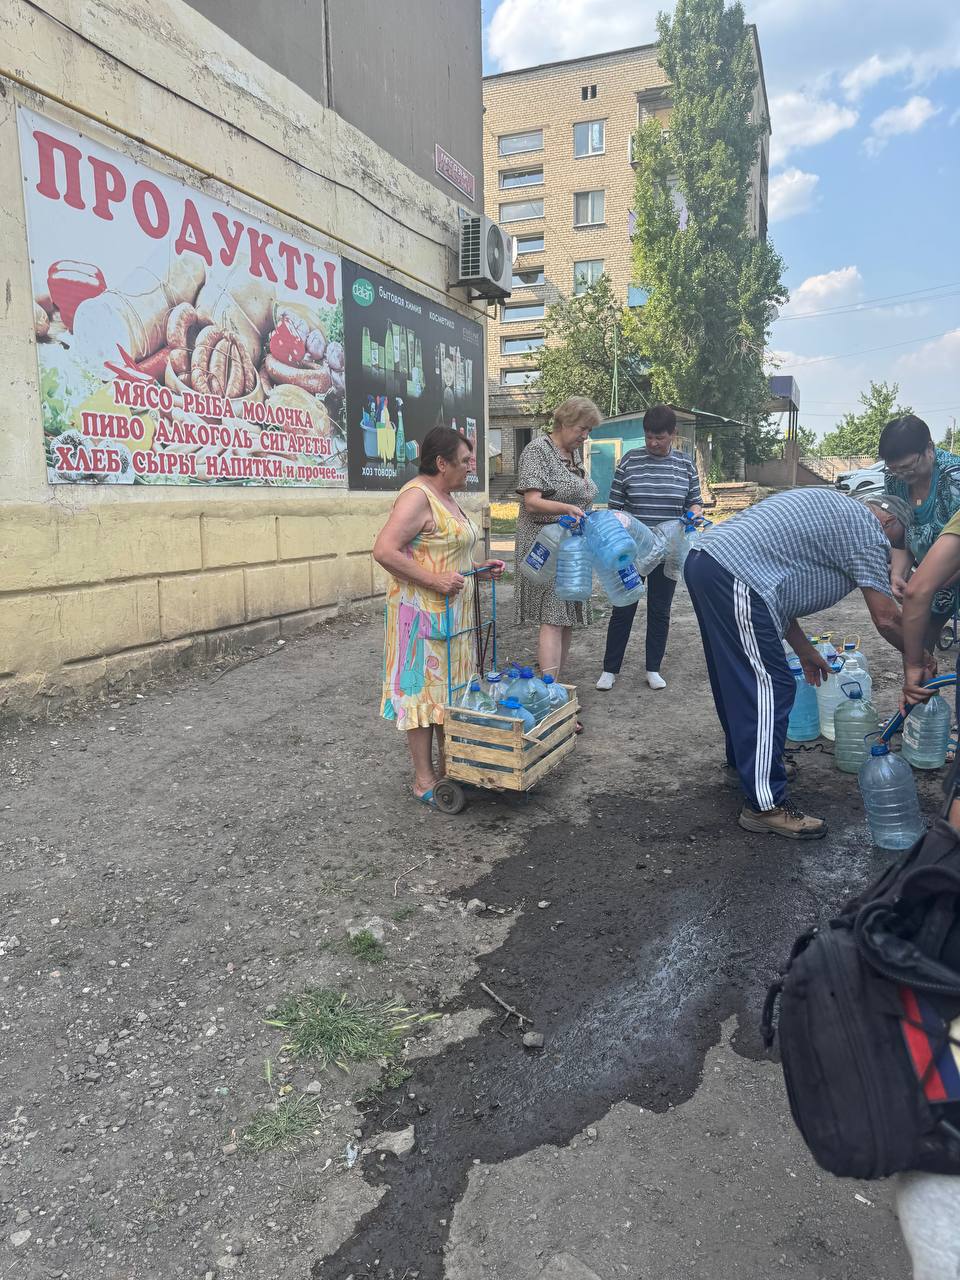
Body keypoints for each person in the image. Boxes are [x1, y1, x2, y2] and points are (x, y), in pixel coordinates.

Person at [684, 487, 931, 840]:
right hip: (732, 573)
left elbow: (777, 589)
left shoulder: (839, 515)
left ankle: (749, 768)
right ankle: (765, 805)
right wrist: (921, 658)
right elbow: (887, 618)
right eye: (896, 541)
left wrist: (803, 649)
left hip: (711, 563)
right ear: (889, 521)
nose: (891, 551)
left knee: (740, 680)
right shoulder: (868, 532)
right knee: (770, 686)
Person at [373, 426, 505, 806]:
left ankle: (453, 770)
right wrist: (434, 581)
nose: (471, 467)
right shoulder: (417, 496)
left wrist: (477, 569)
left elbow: (445, 554)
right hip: (420, 617)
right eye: (465, 461)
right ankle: (424, 781)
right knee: (422, 693)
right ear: (441, 463)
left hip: (453, 616)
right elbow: (384, 550)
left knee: (450, 692)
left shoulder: (447, 497)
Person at [595, 404, 703, 693]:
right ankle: (609, 669)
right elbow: (615, 507)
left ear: (673, 434)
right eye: (648, 437)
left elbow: (695, 502)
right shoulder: (630, 461)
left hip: (668, 551)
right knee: (623, 606)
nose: (653, 443)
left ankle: (653, 668)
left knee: (660, 609)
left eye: (660, 437)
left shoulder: (685, 465)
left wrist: (694, 514)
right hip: (632, 551)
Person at [514, 396, 601, 703]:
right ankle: (548, 695)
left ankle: (555, 686)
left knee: (566, 617)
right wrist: (567, 508)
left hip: (571, 546)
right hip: (545, 545)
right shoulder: (538, 450)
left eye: (589, 431)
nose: (585, 436)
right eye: (581, 429)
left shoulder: (573, 455)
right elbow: (532, 501)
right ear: (563, 422)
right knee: (552, 617)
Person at [882, 415, 960, 650]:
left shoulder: (954, 477)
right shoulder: (894, 479)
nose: (902, 475)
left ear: (929, 449)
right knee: (918, 638)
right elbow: (903, 530)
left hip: (950, 569)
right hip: (933, 578)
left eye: (908, 466)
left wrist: (927, 584)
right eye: (894, 469)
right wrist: (898, 573)